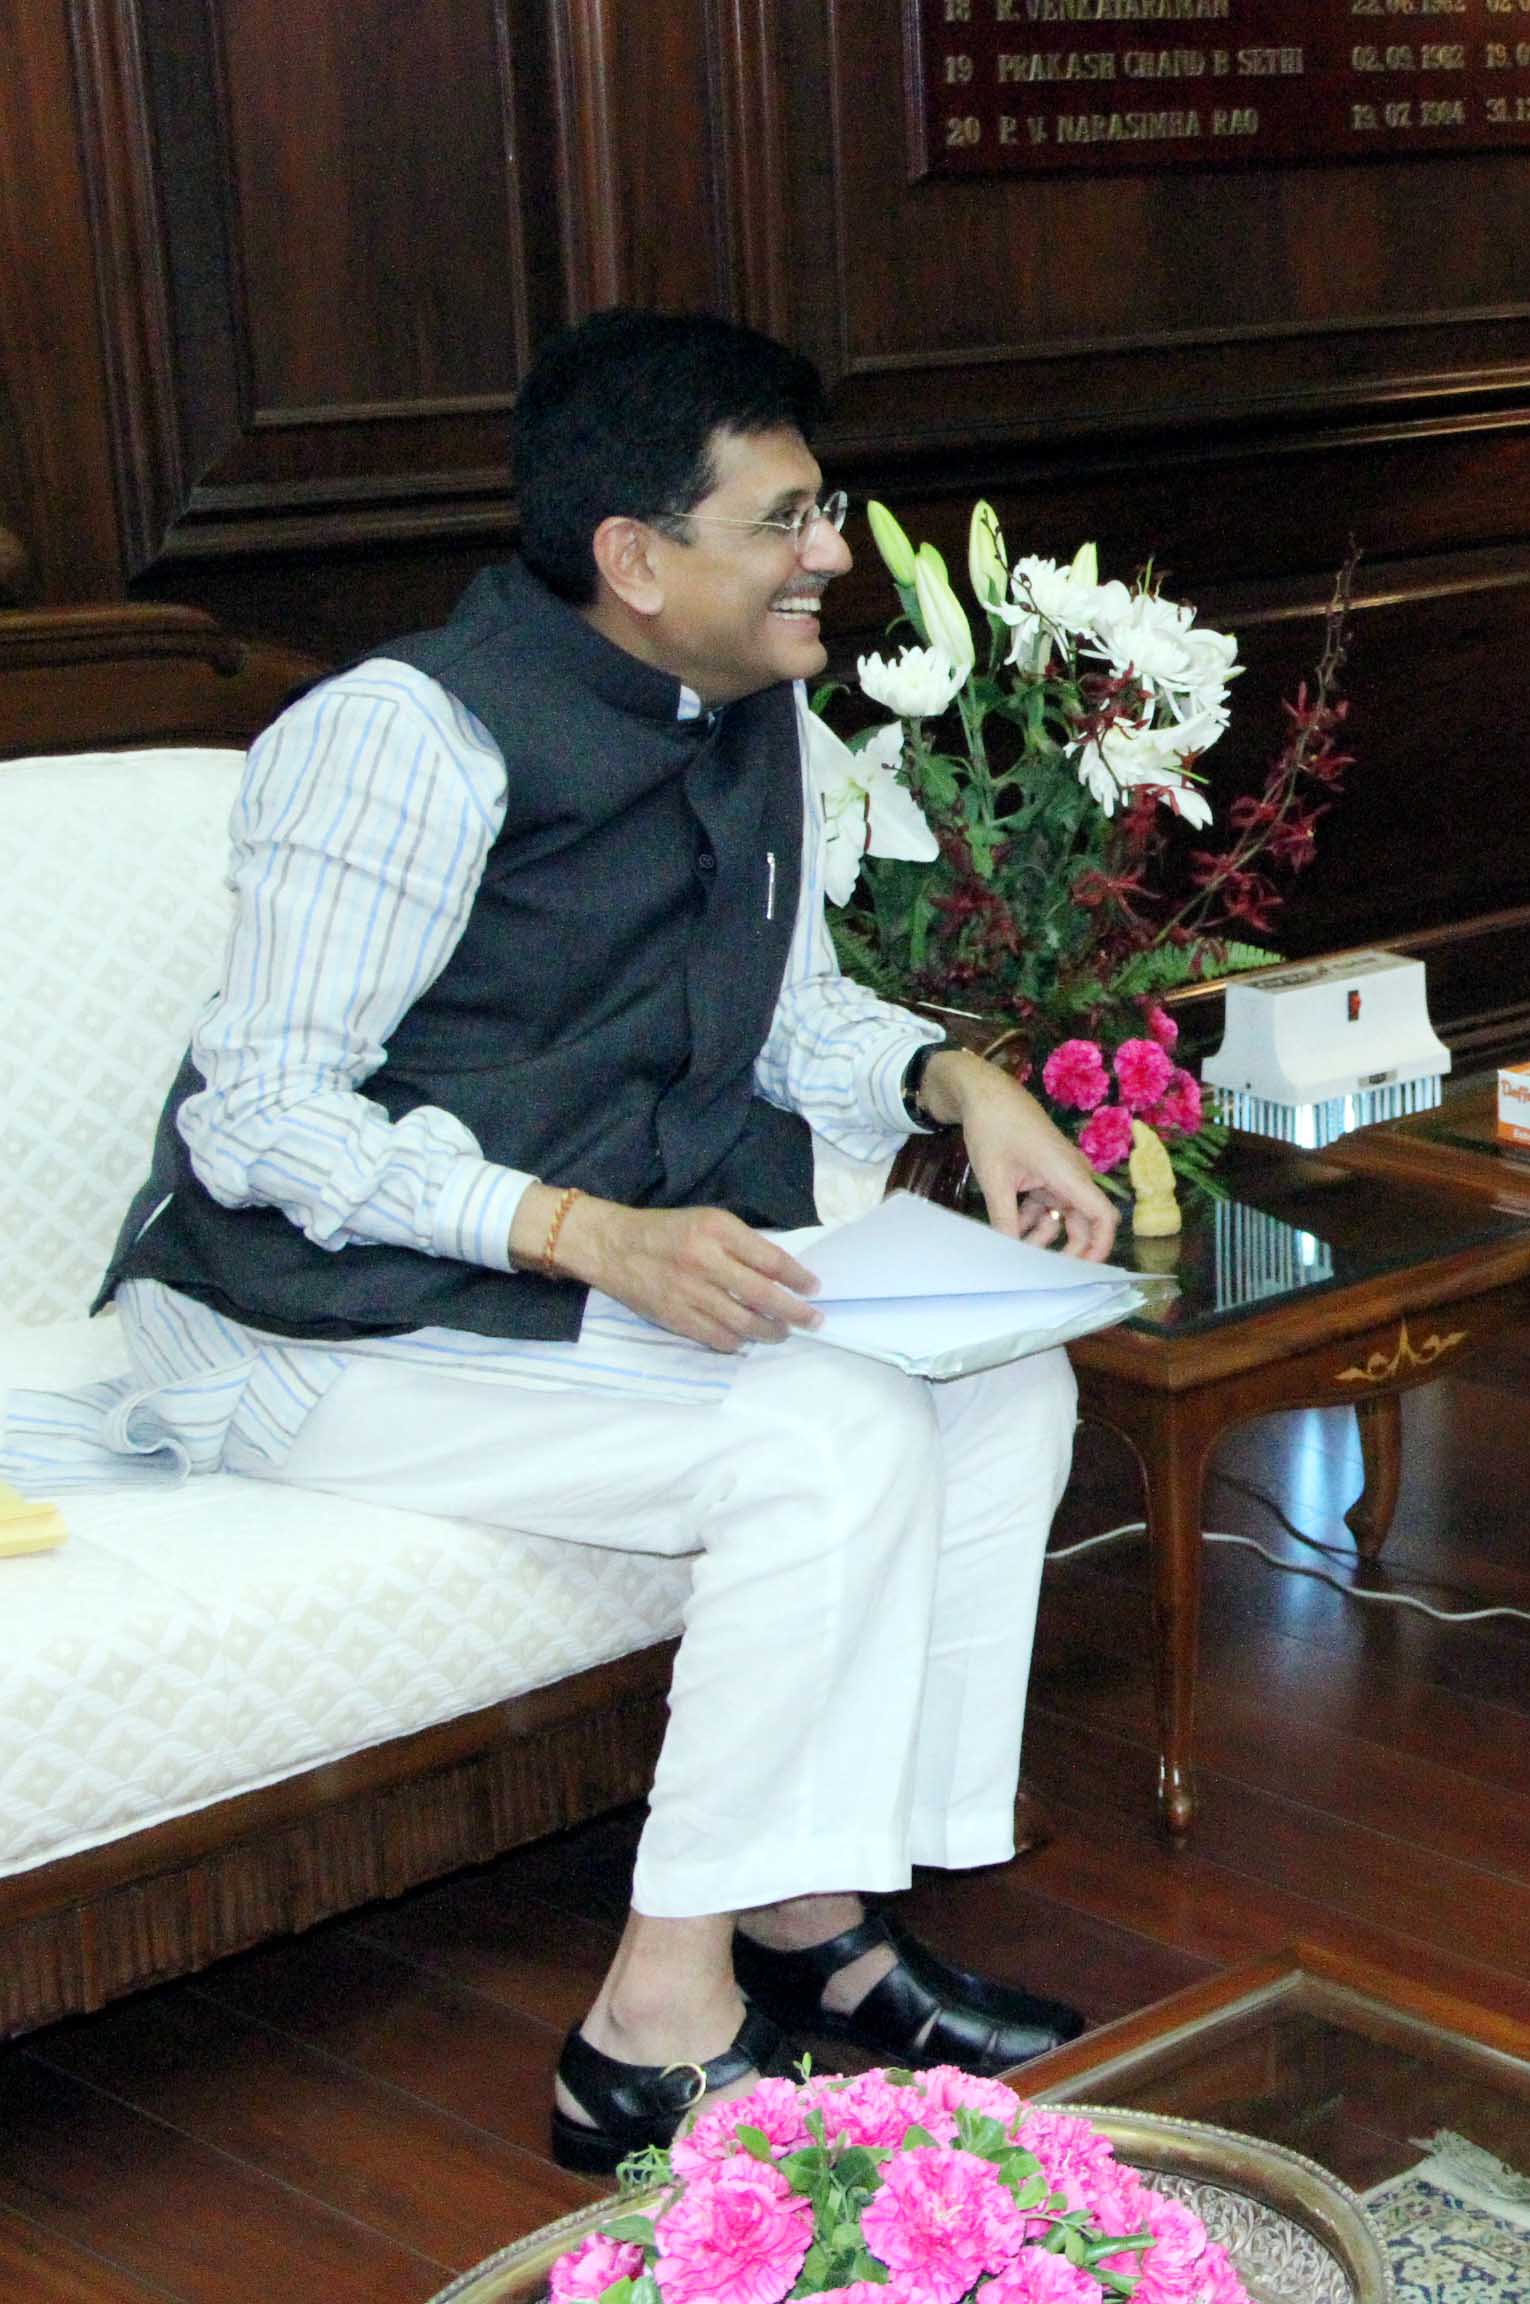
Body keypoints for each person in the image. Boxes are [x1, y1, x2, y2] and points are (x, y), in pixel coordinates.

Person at [1, 310, 1123, 2174]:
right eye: (787, 518)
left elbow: (784, 1019)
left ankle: (814, 1918)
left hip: (548, 1284)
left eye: (821, 508)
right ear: (636, 557)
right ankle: (647, 2028)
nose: (832, 553)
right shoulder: (398, 737)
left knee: (1002, 1379)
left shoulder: (752, 703)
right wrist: (582, 1232)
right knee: (826, 1434)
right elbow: (260, 1117)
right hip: (300, 1326)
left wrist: (960, 1082)